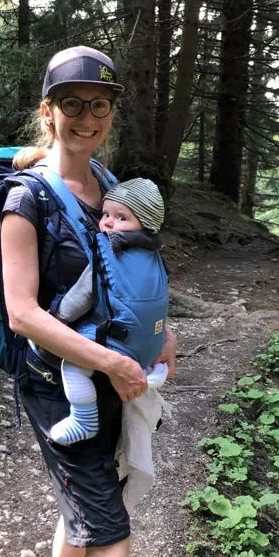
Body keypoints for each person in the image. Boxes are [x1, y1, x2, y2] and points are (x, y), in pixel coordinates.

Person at [0, 45, 177, 557]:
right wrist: (107, 359)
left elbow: (133, 267)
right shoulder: (25, 200)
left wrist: (159, 337)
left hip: (110, 385)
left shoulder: (109, 185)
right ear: (49, 112)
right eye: (70, 105)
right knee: (110, 550)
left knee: (80, 523)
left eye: (98, 105)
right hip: (59, 391)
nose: (86, 117)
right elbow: (22, 311)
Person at [50, 177, 168, 446]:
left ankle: (83, 419)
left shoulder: (109, 253)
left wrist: (57, 319)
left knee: (73, 364)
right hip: (152, 344)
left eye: (121, 217)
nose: (108, 222)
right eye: (105, 214)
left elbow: (81, 296)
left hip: (120, 344)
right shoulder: (153, 255)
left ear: (146, 223)